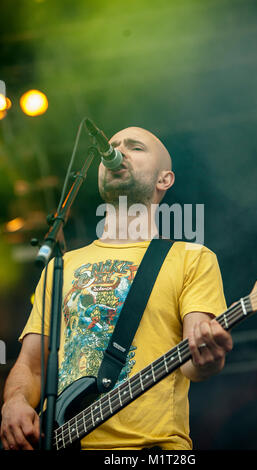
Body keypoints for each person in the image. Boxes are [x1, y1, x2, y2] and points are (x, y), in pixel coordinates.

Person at [0, 126, 233, 450]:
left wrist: (208, 358)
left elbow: (193, 360)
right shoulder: (61, 266)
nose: (118, 151)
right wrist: (13, 402)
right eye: (112, 146)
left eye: (135, 147)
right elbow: (31, 365)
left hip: (152, 449)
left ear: (164, 179)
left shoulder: (191, 258)